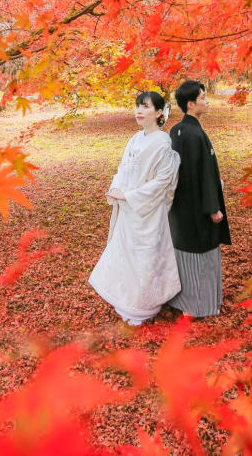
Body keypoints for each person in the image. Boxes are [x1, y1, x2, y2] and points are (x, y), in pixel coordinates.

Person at [89, 91, 182, 325]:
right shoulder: (135, 138)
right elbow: (123, 168)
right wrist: (117, 188)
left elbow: (163, 181)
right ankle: (125, 301)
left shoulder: (163, 142)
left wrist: (130, 195)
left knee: (146, 255)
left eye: (146, 107)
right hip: (128, 207)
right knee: (126, 254)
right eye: (137, 106)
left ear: (159, 112)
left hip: (147, 209)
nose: (139, 111)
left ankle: (144, 306)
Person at [166, 80, 230, 318]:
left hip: (180, 209)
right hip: (197, 208)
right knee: (201, 255)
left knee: (184, 253)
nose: (207, 100)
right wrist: (213, 208)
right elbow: (201, 174)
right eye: (203, 97)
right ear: (191, 104)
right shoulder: (194, 135)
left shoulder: (177, 130)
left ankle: (184, 302)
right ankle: (199, 306)